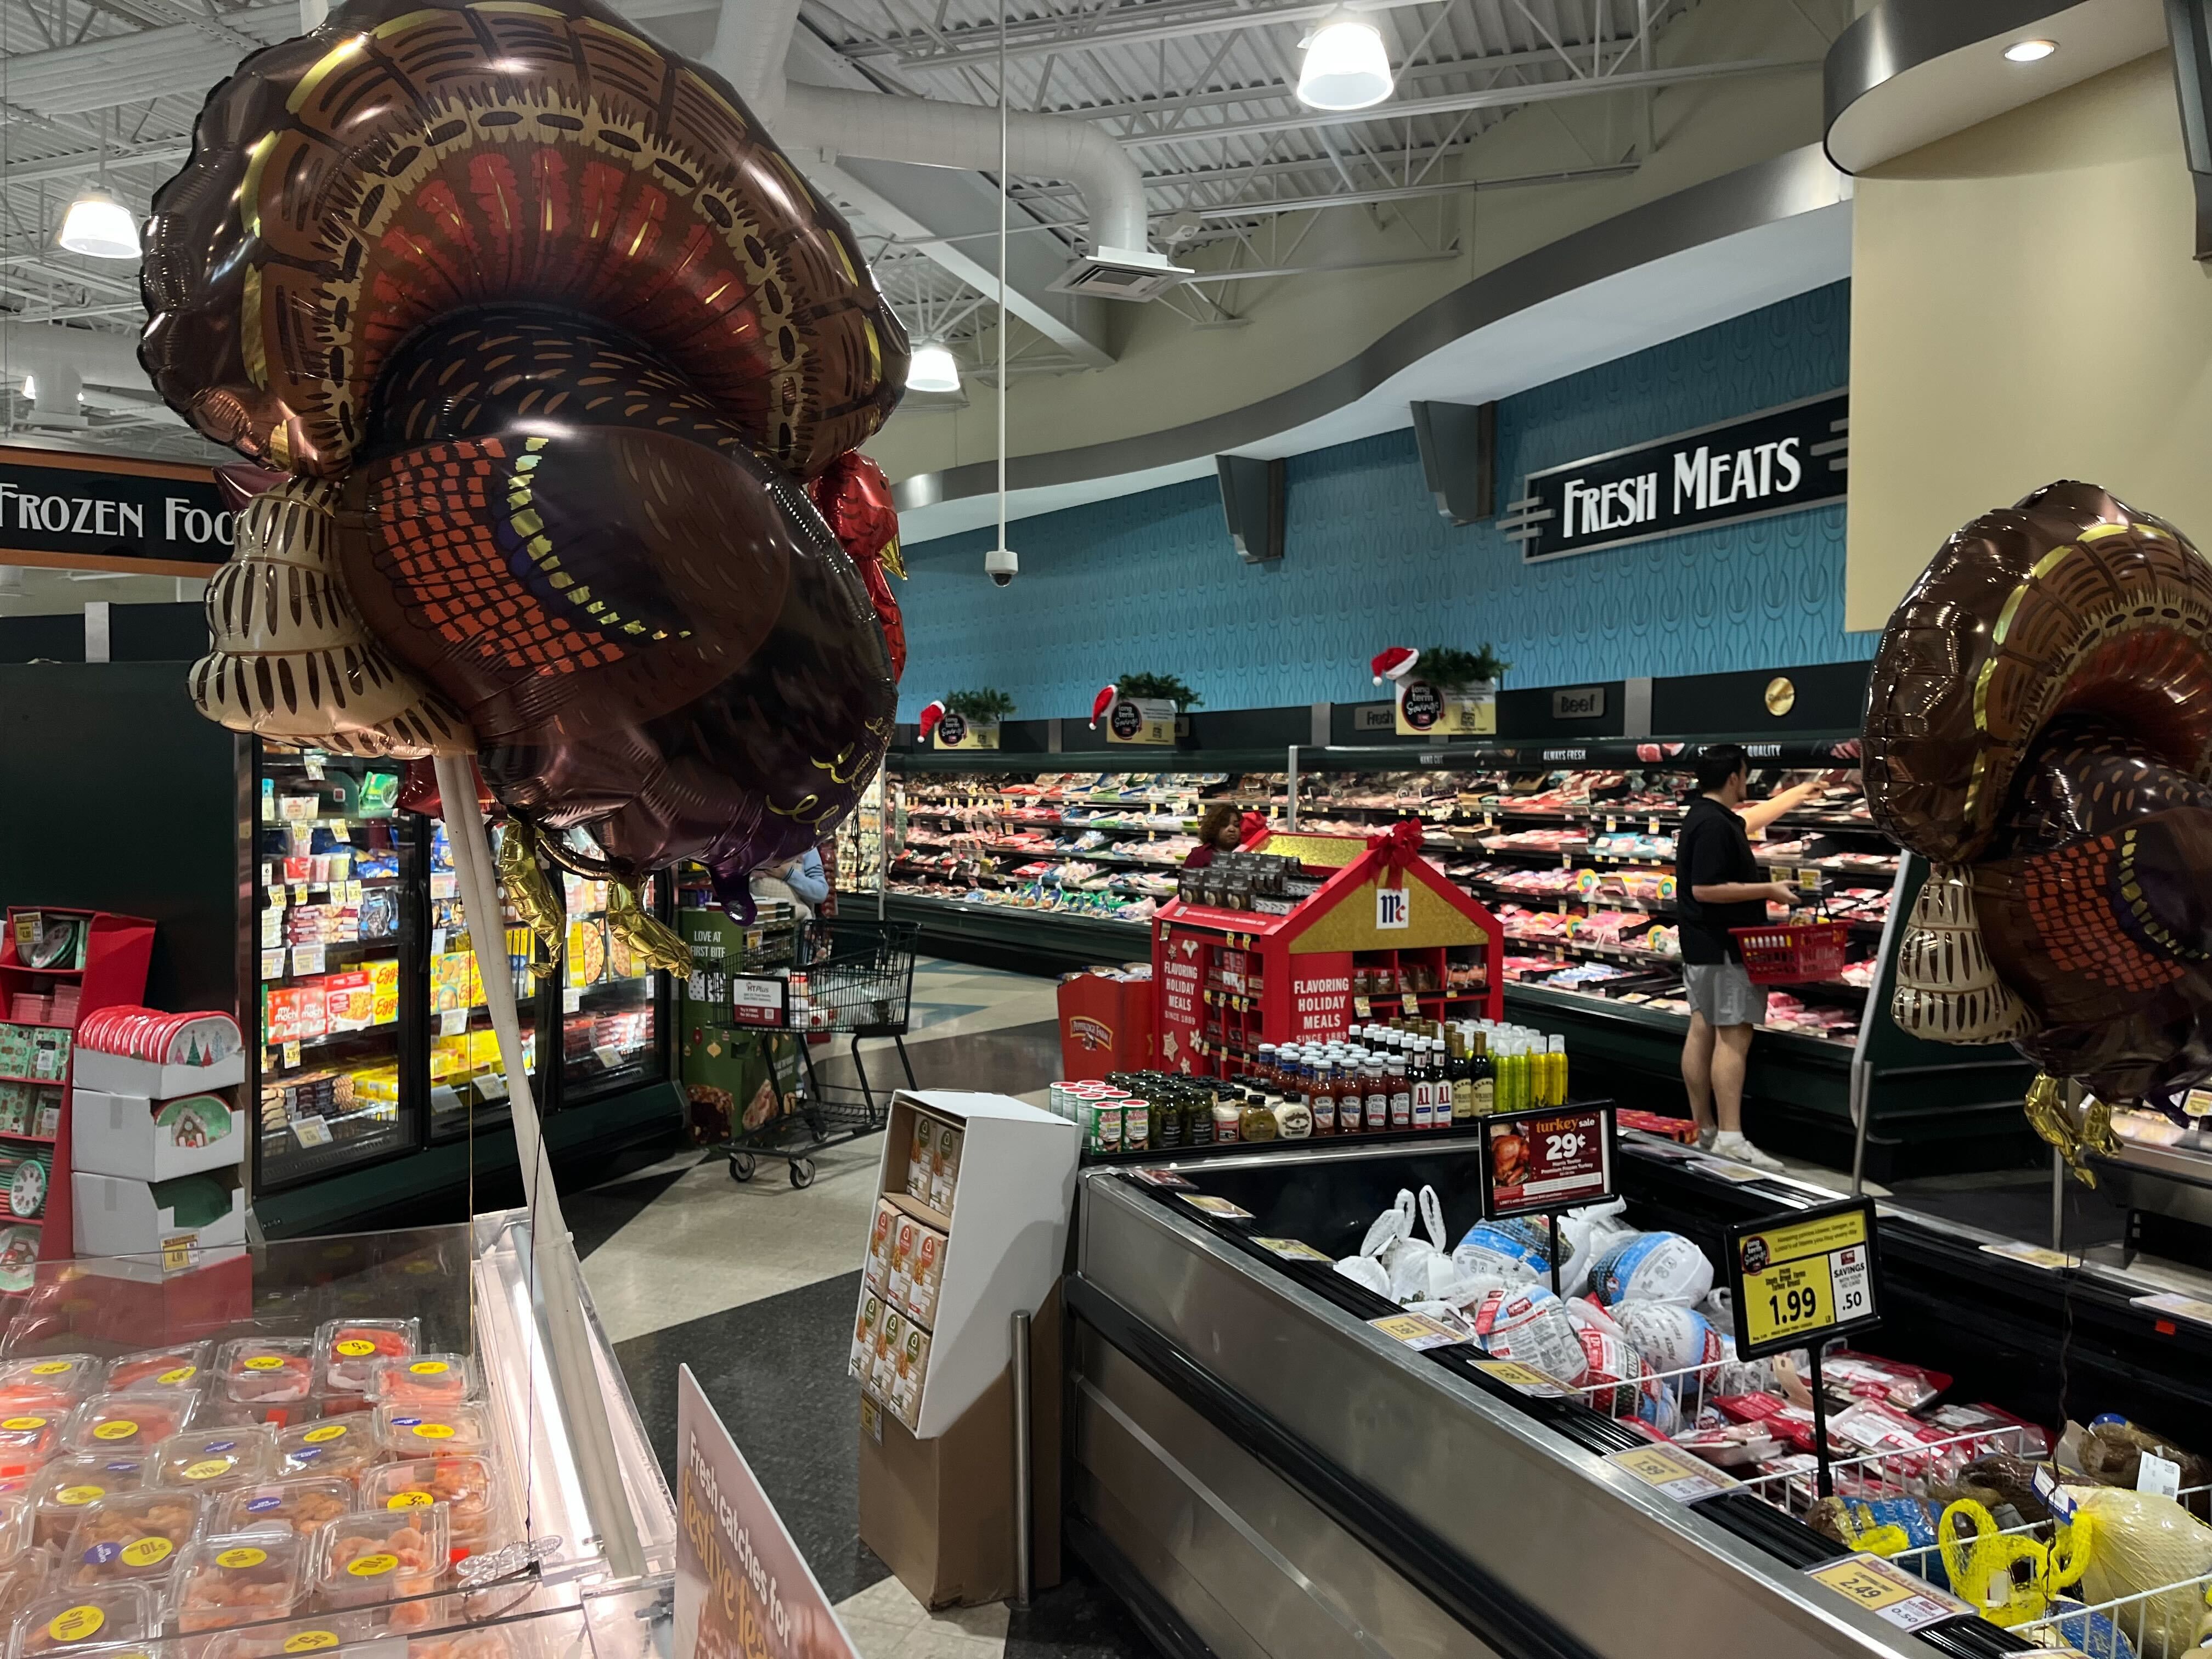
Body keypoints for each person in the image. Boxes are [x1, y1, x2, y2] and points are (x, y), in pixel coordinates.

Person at [1675, 747, 1825, 1170]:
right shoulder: (1712, 825)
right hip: (1724, 946)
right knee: (1733, 1037)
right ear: (1735, 778)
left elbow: (1748, 823)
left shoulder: (1709, 817)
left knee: (1703, 1029)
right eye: (1746, 775)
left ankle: (1703, 1130)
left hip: (1702, 946)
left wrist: (1797, 794)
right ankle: (1730, 1137)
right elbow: (1706, 889)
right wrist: (1768, 891)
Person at [751, 845, 830, 922]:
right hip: (754, 925)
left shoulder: (807, 845)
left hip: (796, 929)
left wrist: (788, 874)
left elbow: (821, 893)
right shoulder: (752, 842)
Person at [1182, 803, 1246, 870]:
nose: (1232, 829)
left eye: (1236, 825)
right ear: (1213, 827)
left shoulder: (1247, 853)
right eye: (1224, 825)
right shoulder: (1198, 856)